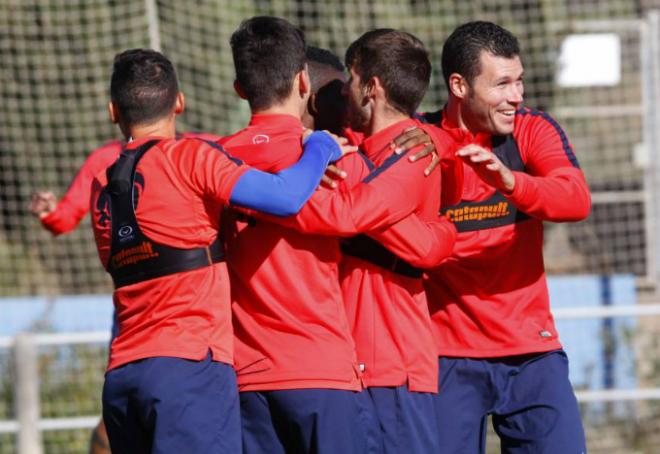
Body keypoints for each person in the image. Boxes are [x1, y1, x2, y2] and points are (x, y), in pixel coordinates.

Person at [90, 48, 350, 454]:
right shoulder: (190, 159)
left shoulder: (101, 190)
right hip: (187, 370)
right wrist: (320, 147)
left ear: (113, 111)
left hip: (123, 377)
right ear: (179, 103)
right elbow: (285, 198)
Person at [283, 30, 459, 453]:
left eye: (351, 80)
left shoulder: (411, 154)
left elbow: (349, 213)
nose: (344, 92)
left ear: (372, 88)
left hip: (391, 364)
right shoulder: (360, 151)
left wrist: (287, 195)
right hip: (349, 363)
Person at [420, 21, 591, 453]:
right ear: (459, 85)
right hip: (446, 355)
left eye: (519, 82)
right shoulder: (420, 140)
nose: (516, 96)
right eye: (502, 84)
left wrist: (511, 182)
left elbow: (574, 199)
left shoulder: (532, 130)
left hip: (531, 353)